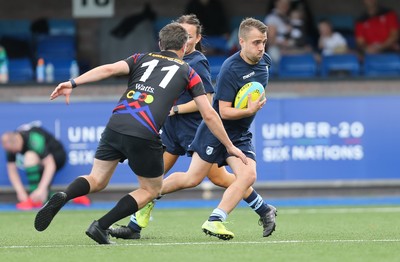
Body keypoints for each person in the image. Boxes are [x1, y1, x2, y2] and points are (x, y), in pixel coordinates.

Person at [33, 22, 247, 245]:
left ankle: (64, 195)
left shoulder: (140, 58)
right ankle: (101, 226)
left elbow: (108, 69)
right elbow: (210, 115)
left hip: (115, 124)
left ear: (159, 43)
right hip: (143, 132)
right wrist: (230, 146)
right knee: (151, 189)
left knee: (96, 179)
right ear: (184, 47)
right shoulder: (188, 71)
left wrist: (72, 82)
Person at [108, 15, 277, 240]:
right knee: (169, 178)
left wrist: (176, 109)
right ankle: (136, 221)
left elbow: (207, 100)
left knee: (215, 177)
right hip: (172, 129)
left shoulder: (198, 63)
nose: (185, 41)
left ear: (198, 38)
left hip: (193, 127)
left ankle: (247, 212)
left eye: (189, 36)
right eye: (182, 35)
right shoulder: (168, 59)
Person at [1, 124, 90, 210]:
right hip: (42, 161)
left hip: (57, 157)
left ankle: (35, 200)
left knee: (29, 157)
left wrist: (41, 189)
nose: (12, 153)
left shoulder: (33, 139)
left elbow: (50, 164)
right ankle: (74, 198)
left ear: (16, 141)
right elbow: (11, 169)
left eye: (12, 150)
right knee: (44, 196)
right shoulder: (10, 145)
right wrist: (20, 192)